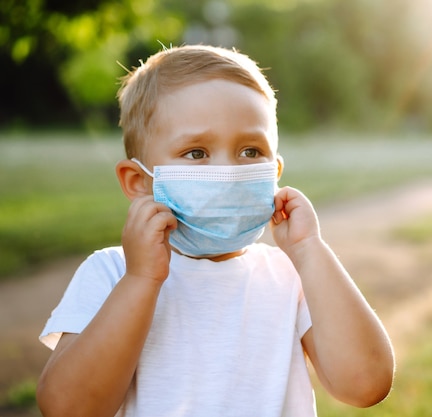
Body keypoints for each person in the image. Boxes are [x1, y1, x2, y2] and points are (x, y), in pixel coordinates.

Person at [36, 44, 395, 417]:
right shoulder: (110, 274)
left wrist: (309, 249)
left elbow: (366, 384)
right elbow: (67, 408)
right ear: (139, 181)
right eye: (196, 153)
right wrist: (141, 278)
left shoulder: (290, 278)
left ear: (274, 173)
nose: (229, 173)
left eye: (250, 151)